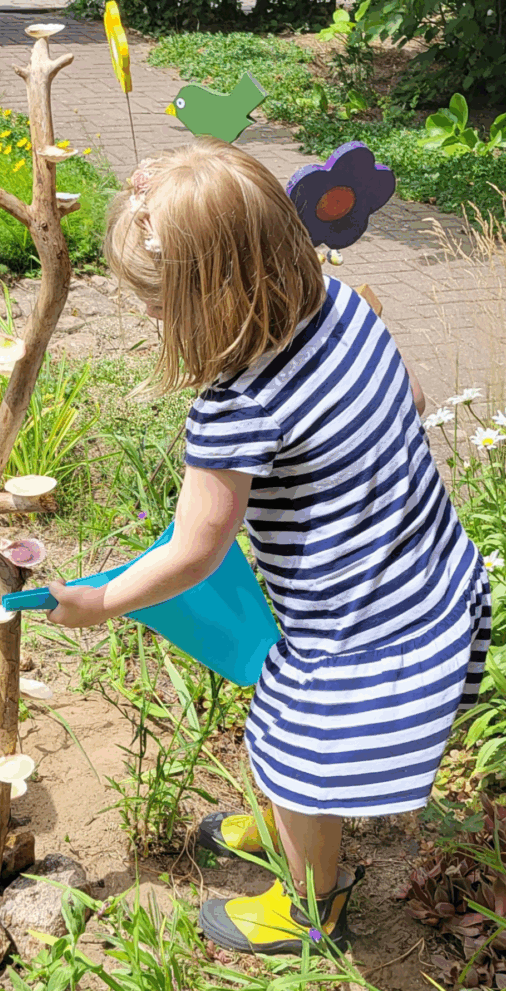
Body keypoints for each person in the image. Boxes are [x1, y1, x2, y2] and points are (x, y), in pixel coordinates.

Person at [45, 138, 492, 955]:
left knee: (293, 749)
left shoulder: (237, 407)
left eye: (157, 304)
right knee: (277, 728)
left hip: (361, 630)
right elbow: (412, 393)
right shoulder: (343, 304)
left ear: (210, 300)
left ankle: (310, 907)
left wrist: (101, 600)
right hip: (428, 571)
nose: (150, 317)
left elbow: (195, 552)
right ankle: (284, 821)